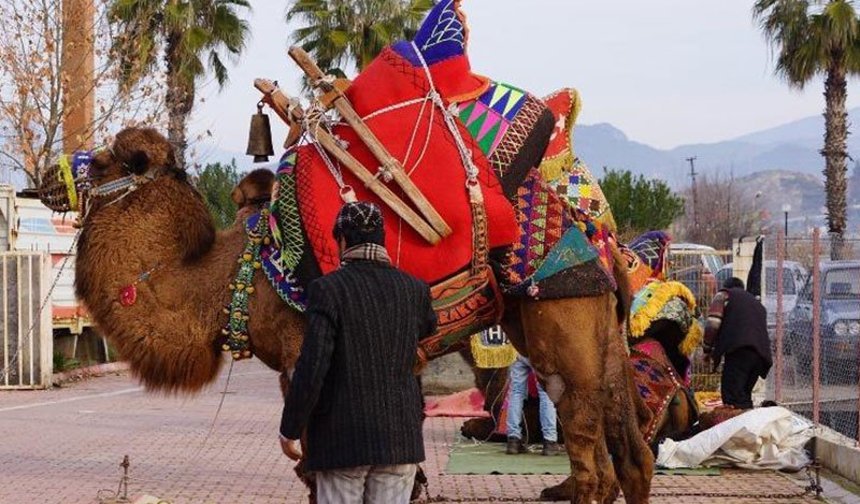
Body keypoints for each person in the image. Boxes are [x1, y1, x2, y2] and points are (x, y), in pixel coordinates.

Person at [279, 201, 437, 504]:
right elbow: (429, 331)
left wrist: (291, 428)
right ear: (382, 239)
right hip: (399, 438)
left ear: (341, 240)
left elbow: (313, 366)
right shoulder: (414, 289)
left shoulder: (328, 290)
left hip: (341, 441)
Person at [703, 277, 773, 410]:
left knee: (731, 399)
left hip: (740, 352)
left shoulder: (724, 295)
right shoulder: (755, 302)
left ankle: (739, 428)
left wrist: (707, 350)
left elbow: (713, 324)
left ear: (727, 286)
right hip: (760, 357)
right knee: (743, 397)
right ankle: (748, 426)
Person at [505, 353, 564, 456]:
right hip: (539, 350)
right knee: (545, 392)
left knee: (516, 391)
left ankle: (513, 440)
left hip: (518, 351)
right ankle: (549, 441)